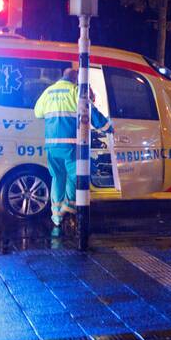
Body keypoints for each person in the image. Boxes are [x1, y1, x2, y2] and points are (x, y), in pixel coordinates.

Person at [33, 68, 111, 228]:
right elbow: (91, 113)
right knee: (74, 176)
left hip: (52, 146)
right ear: (75, 79)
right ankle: (68, 206)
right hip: (70, 144)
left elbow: (38, 113)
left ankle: (56, 216)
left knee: (57, 177)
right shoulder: (76, 91)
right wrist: (108, 127)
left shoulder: (48, 92)